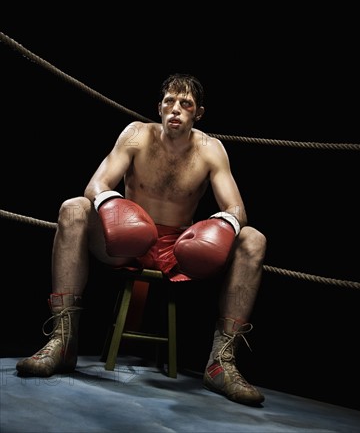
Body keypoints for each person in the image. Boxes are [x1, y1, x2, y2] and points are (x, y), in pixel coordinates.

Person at [16, 73, 267, 406]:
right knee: (73, 208)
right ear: (159, 107)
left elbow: (236, 208)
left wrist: (218, 227)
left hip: (181, 249)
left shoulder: (210, 150)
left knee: (253, 239)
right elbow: (96, 185)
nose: (175, 109)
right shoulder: (136, 135)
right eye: (169, 102)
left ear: (198, 113)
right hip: (125, 239)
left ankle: (222, 362)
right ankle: (63, 341)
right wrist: (113, 206)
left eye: (185, 104)